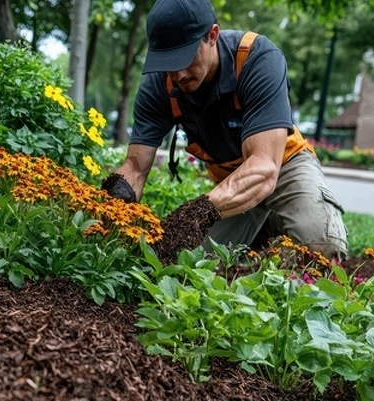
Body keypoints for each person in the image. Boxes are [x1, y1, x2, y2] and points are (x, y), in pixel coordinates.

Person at [102, 0, 348, 260]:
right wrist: (112, 206)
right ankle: (264, 232)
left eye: (185, 58)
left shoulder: (257, 59)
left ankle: (283, 222)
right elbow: (135, 167)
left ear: (212, 35)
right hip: (231, 187)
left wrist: (194, 215)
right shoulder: (158, 86)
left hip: (285, 168)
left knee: (321, 251)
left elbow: (264, 167)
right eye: (169, 62)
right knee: (179, 260)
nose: (179, 74)